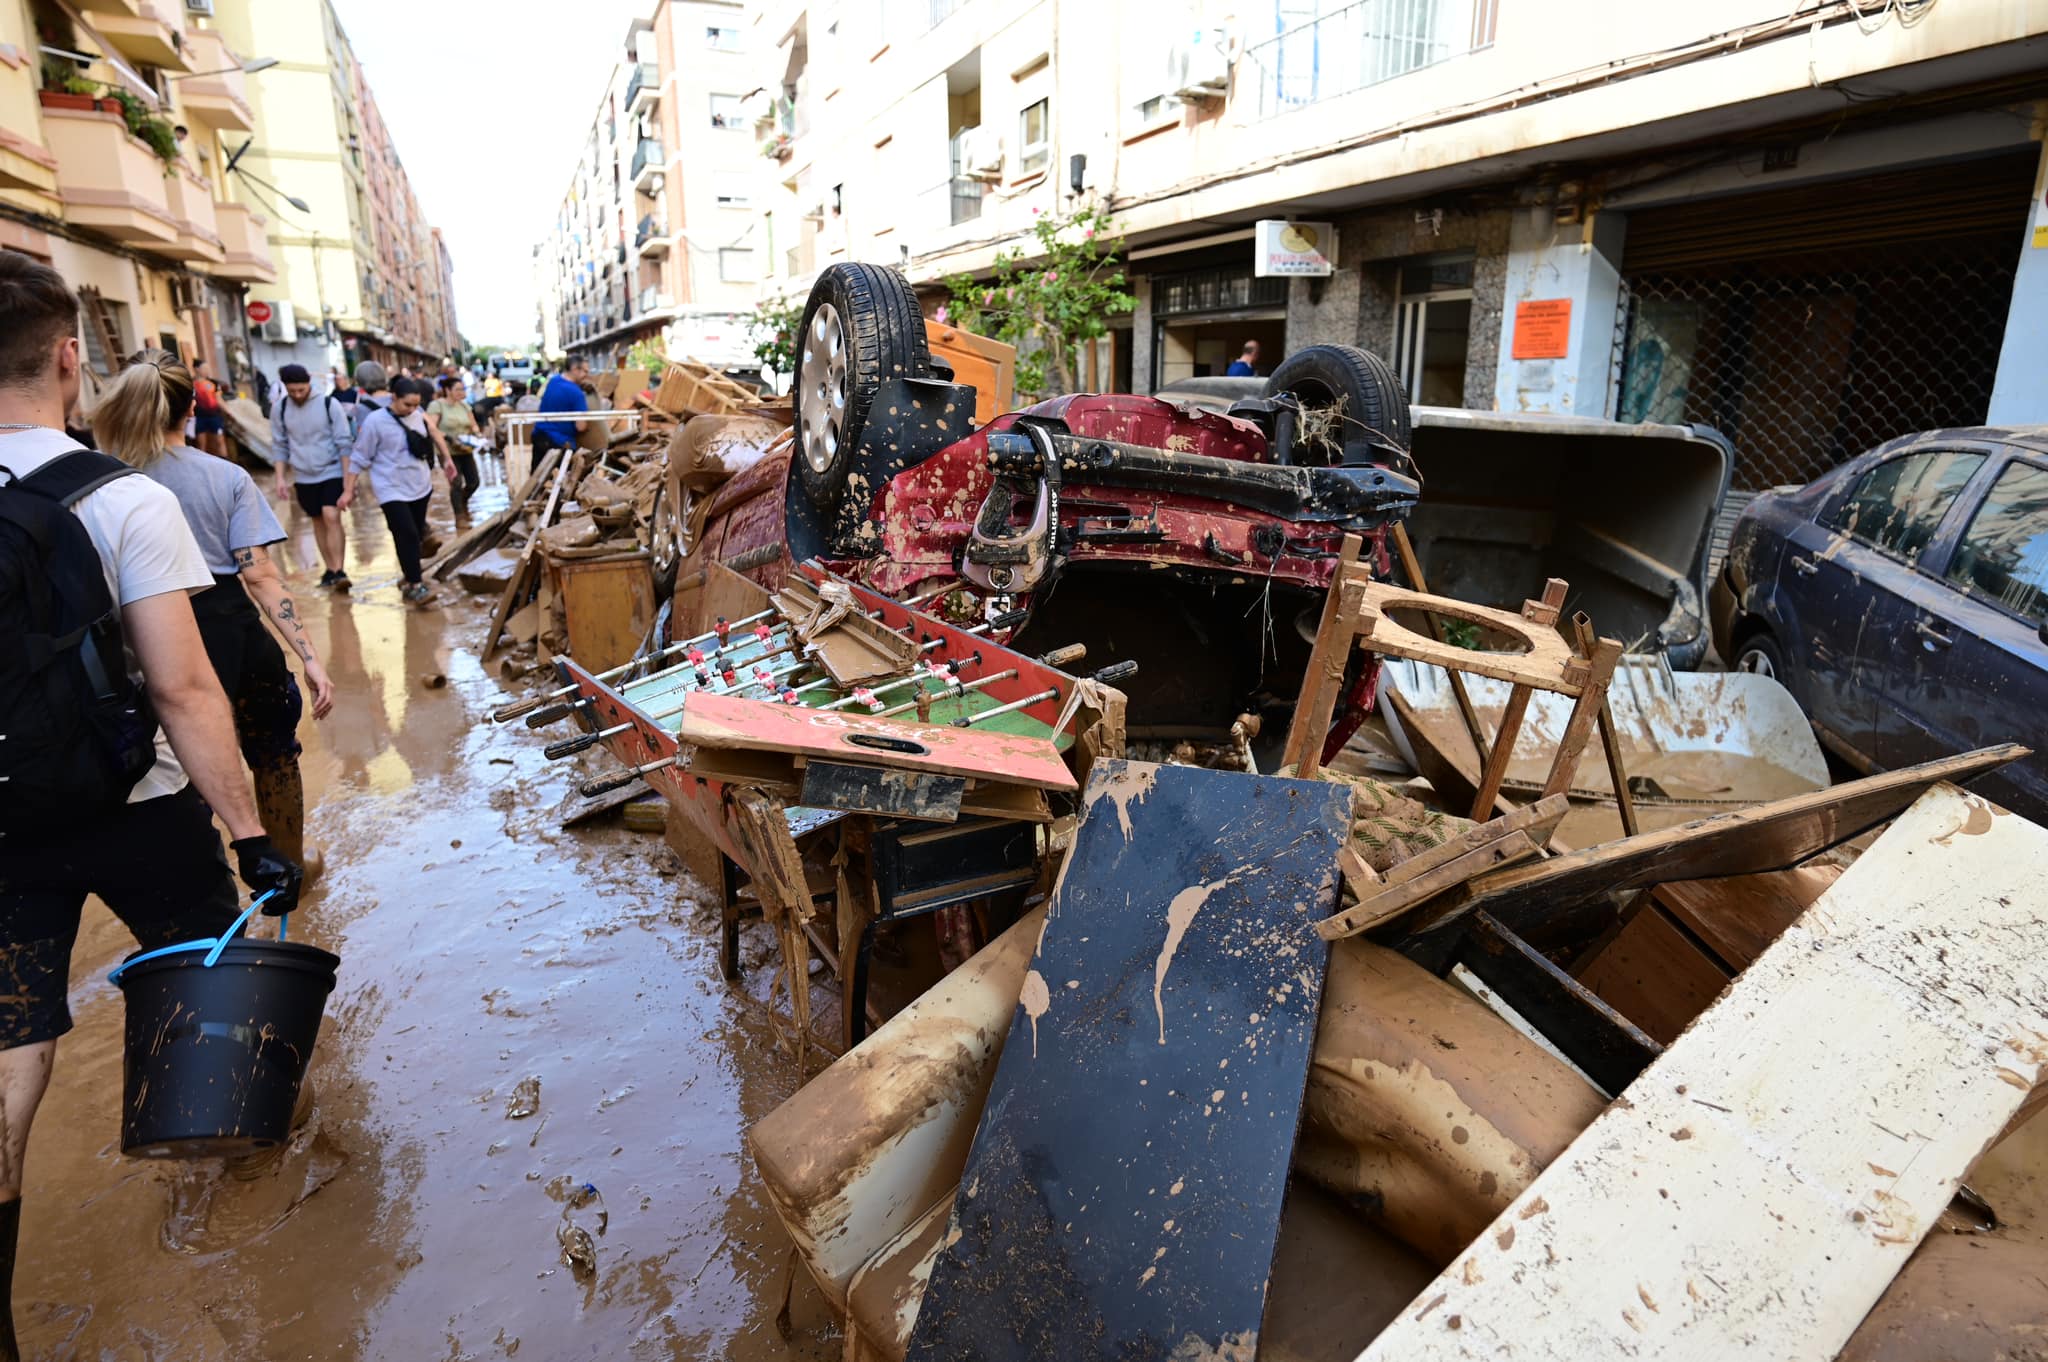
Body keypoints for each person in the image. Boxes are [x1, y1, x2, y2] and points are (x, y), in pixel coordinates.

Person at [0, 252, 302, 1350]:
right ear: (69, 357)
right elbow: (181, 686)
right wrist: (253, 834)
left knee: (11, 1041)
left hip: (1, 822)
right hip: (137, 802)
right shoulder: (122, 498)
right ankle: (219, 1195)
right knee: (203, 969)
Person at [94, 348, 336, 874]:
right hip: (234, 632)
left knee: (182, 770)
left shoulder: (106, 482)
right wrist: (310, 657)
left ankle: (209, 890)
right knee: (273, 752)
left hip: (147, 635)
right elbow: (261, 577)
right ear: (191, 411)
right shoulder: (225, 478)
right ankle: (287, 869)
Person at [347, 376, 456, 604]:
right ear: (393, 397)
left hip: (419, 485)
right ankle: (417, 585)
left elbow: (435, 433)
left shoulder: (418, 416)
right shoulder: (375, 422)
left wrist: (447, 460)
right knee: (405, 533)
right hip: (390, 487)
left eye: (416, 405)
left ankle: (409, 576)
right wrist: (348, 490)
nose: (412, 409)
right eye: (407, 404)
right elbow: (359, 457)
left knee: (413, 535)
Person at [268, 363, 355, 591]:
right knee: (317, 519)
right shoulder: (281, 408)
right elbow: (279, 445)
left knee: (331, 515)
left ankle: (339, 569)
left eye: (302, 390)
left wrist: (348, 483)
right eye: (292, 391)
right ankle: (329, 569)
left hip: (332, 470)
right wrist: (280, 479)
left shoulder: (329, 404)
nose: (298, 395)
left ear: (309, 384)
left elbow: (344, 444)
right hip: (303, 475)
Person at [428, 375, 481, 522]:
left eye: (462, 389)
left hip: (465, 449)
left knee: (474, 482)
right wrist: (448, 438)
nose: (461, 392)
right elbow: (431, 427)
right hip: (447, 451)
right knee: (456, 482)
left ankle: (463, 502)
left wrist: (477, 435)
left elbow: (473, 424)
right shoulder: (437, 406)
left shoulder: (464, 405)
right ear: (447, 390)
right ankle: (459, 516)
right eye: (457, 389)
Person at [533, 357, 590, 458]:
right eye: (585, 371)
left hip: (539, 436)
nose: (587, 376)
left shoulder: (553, 381)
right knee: (561, 474)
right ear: (575, 369)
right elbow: (581, 427)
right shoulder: (576, 393)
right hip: (559, 443)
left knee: (537, 473)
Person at [190, 357, 229, 458]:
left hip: (214, 416)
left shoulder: (214, 383)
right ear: (197, 369)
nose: (207, 370)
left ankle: (225, 463)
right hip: (199, 417)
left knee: (220, 441)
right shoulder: (190, 384)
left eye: (208, 368)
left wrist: (228, 412)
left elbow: (219, 399)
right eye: (204, 368)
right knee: (200, 444)